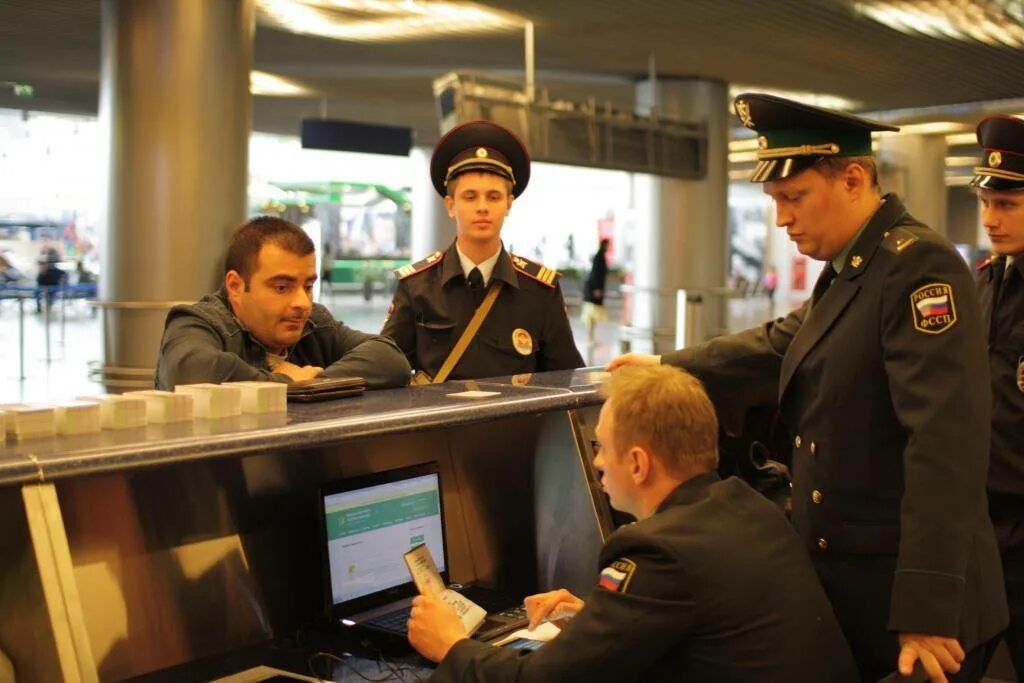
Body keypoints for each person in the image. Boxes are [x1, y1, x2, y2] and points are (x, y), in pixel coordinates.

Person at [608, 93, 1007, 682]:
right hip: (861, 580)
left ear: (852, 179)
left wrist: (927, 607)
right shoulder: (857, 267)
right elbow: (780, 342)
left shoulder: (918, 267)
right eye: (775, 201)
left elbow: (944, 444)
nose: (782, 217)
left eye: (793, 197)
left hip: (915, 607)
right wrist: (667, 365)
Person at [407, 365, 857, 682]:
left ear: (639, 463)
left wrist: (452, 645)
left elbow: (544, 680)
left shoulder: (658, 552)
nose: (597, 462)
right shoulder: (750, 508)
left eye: (601, 446)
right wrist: (605, 617)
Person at [381, 120, 583, 382]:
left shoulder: (539, 291)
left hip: (516, 423)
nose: (482, 207)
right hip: (441, 421)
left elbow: (565, 377)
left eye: (494, 197)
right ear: (450, 205)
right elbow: (385, 366)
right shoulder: (418, 286)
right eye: (470, 197)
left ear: (509, 204)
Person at [155, 216, 410, 390]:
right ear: (235, 287)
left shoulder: (315, 323)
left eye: (308, 286)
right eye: (281, 287)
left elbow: (390, 359)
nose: (302, 303)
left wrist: (313, 384)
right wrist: (284, 382)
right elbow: (192, 373)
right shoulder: (198, 322)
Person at [972, 114, 1024, 676]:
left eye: (1006, 204)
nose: (990, 219)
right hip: (981, 519)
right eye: (986, 202)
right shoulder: (983, 284)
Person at [582, 238, 610, 348]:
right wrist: (597, 289)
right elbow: (597, 274)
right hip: (593, 289)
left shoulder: (600, 256)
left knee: (592, 315)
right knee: (591, 315)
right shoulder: (599, 257)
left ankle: (591, 337)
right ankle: (590, 338)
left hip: (594, 289)